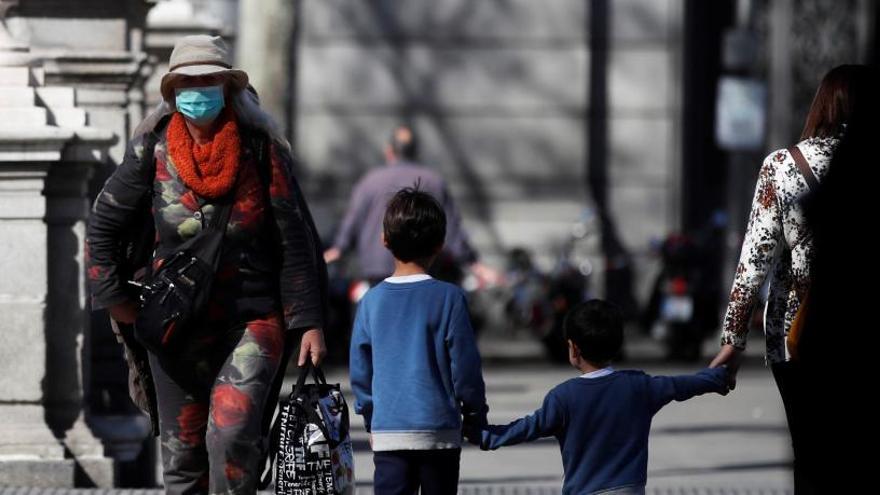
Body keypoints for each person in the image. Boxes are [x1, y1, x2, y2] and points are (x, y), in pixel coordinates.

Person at [85, 35, 327, 494]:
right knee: (182, 456)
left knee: (233, 437)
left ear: (228, 87)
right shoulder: (149, 152)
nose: (198, 90)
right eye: (188, 82)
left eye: (209, 80)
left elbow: (294, 240)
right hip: (173, 327)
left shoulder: (261, 151)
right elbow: (103, 227)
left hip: (252, 320)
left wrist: (309, 322)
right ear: (173, 91)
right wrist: (116, 301)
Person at [709, 65, 874, 493]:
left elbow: (754, 260)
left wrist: (733, 340)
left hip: (798, 334)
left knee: (811, 452)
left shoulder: (783, 166)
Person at [467, 300, 729, 495]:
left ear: (573, 349)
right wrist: (719, 375)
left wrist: (486, 435)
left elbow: (526, 428)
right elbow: (684, 385)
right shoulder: (639, 386)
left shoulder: (563, 397)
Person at [349, 187, 488, 495]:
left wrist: (370, 416)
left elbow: (361, 370)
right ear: (440, 245)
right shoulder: (450, 298)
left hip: (389, 433)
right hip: (439, 431)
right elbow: (465, 366)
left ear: (385, 240)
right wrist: (475, 412)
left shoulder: (371, 302)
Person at [324, 125, 496, 285]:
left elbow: (352, 221)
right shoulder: (433, 181)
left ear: (389, 151)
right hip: (421, 270)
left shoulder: (369, 181)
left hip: (376, 269)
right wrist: (473, 263)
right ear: (415, 152)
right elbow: (452, 230)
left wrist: (338, 248)